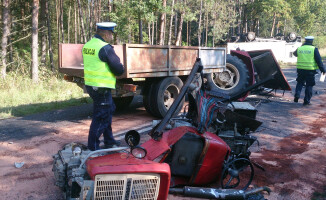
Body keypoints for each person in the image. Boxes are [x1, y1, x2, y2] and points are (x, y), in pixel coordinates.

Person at [82, 22, 124, 151]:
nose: (112, 37)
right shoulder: (105, 48)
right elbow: (118, 69)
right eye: (111, 34)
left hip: (91, 85)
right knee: (101, 117)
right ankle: (92, 147)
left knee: (108, 110)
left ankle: (109, 141)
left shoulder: (88, 45)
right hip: (101, 87)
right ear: (106, 34)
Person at [293, 36, 325, 105]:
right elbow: (319, 61)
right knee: (309, 85)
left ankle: (297, 94)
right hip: (310, 70)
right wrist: (323, 70)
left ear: (305, 40)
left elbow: (294, 54)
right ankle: (306, 101)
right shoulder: (314, 49)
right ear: (312, 41)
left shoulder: (300, 48)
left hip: (301, 69)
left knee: (300, 82)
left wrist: (302, 46)